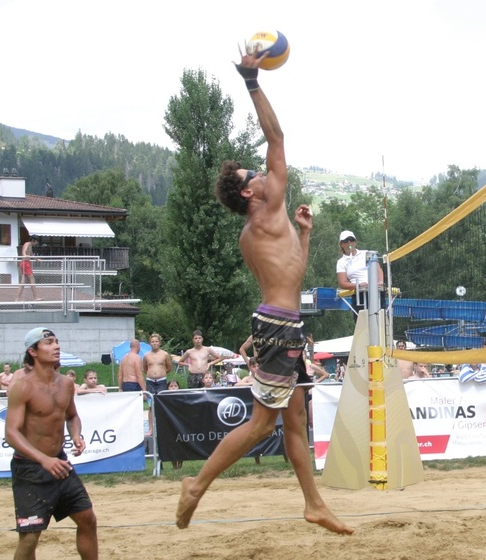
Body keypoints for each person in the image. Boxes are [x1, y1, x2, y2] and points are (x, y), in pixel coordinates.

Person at [175, 48, 354, 536]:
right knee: (260, 425)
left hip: (279, 320)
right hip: (279, 326)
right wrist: (252, 81)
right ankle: (197, 486)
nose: (260, 171)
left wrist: (308, 234)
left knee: (294, 422)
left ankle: (313, 504)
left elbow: (291, 272)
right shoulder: (269, 199)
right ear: (250, 194)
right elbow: (277, 135)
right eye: (249, 175)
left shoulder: (255, 232)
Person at [5, 327, 97, 559]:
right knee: (29, 537)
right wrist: (43, 459)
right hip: (30, 470)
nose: (56, 346)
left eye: (56, 341)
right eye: (48, 342)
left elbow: (72, 416)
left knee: (87, 519)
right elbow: (11, 434)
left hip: (60, 464)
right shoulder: (22, 386)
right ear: (32, 351)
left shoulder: (65, 383)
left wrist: (76, 435)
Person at [17, 236, 42, 301]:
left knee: (23, 281)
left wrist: (36, 259)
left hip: (25, 263)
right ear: (33, 240)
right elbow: (24, 251)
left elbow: (31, 254)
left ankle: (17, 298)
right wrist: (25, 254)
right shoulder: (27, 244)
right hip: (25, 263)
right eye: (36, 241)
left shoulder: (30, 245)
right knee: (32, 279)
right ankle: (35, 297)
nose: (36, 243)